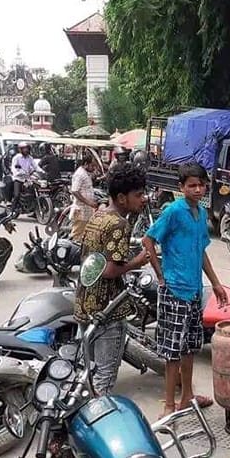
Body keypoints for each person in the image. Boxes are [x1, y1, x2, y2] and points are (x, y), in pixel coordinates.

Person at [144, 163, 229, 418]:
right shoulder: (173, 211)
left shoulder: (201, 214)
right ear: (181, 188)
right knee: (172, 352)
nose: (197, 189)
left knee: (191, 346)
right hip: (174, 290)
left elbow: (200, 250)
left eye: (201, 184)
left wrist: (215, 283)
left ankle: (188, 397)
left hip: (193, 291)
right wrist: (160, 275)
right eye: (191, 185)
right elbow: (148, 240)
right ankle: (169, 404)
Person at [73, 164, 150, 396]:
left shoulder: (99, 216)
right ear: (121, 198)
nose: (143, 199)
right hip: (107, 309)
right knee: (104, 377)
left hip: (84, 303)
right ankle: (95, 421)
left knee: (86, 370)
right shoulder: (119, 223)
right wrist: (139, 261)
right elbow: (109, 271)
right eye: (138, 195)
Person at [70, 154, 100, 241]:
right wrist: (89, 202)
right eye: (92, 165)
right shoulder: (80, 174)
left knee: (83, 234)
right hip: (81, 210)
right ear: (86, 164)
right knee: (77, 234)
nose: (93, 168)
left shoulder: (85, 173)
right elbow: (75, 191)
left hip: (86, 210)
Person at [10, 142, 37, 210]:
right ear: (21, 149)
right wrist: (18, 173)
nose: (26, 150)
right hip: (18, 179)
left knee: (34, 192)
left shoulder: (30, 158)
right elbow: (13, 168)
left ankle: (33, 210)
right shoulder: (16, 157)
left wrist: (42, 172)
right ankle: (12, 210)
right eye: (24, 149)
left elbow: (35, 166)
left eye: (27, 149)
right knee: (17, 195)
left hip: (27, 179)